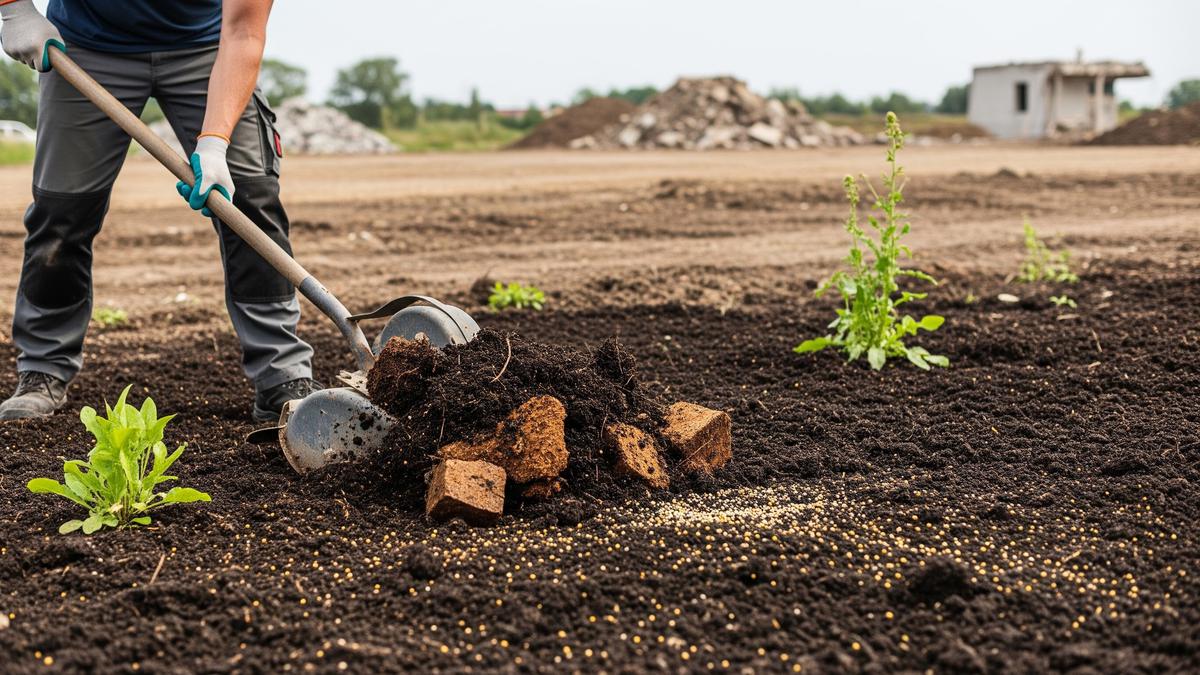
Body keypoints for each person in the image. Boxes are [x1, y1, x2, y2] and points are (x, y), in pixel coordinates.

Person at [0, 0, 321, 421]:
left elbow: (243, 30)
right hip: (86, 44)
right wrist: (13, 8)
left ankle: (282, 372)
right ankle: (42, 367)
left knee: (249, 197)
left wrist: (214, 142)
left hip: (207, 47)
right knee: (61, 214)